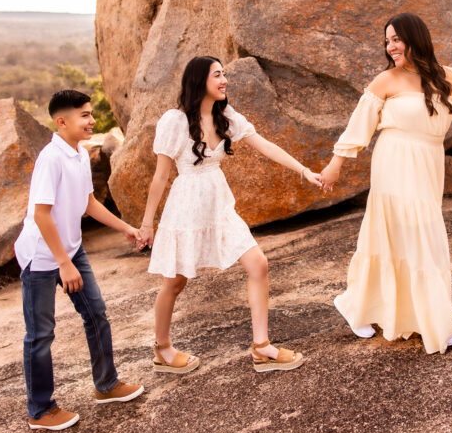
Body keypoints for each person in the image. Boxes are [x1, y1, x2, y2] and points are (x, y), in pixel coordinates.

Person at [318, 13, 452, 354]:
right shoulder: (384, 81)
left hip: (427, 161)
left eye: (396, 39)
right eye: (387, 40)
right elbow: (357, 129)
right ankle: (422, 318)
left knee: (421, 233)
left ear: (415, 38)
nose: (390, 46)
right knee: (402, 234)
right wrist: (334, 167)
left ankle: (382, 309)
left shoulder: (448, 78)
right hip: (393, 161)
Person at [136, 56, 323, 373]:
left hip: (219, 203)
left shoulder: (226, 117)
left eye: (224, 75)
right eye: (217, 75)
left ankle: (261, 347)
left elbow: (264, 145)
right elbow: (160, 176)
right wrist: (147, 223)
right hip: (186, 207)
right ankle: (162, 348)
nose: (224, 81)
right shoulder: (175, 121)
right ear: (199, 81)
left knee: (258, 263)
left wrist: (304, 172)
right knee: (175, 282)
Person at [14, 89, 144, 431]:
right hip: (42, 257)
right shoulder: (50, 158)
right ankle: (40, 411)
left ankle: (107, 385)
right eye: (84, 115)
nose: (92, 120)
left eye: (90, 113)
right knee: (40, 334)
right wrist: (63, 262)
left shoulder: (78, 154)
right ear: (62, 122)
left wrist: (125, 227)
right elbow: (41, 215)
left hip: (70, 251)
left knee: (96, 312)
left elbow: (88, 203)